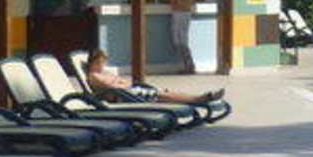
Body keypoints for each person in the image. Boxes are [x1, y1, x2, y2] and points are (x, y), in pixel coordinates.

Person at [87, 48, 222, 108]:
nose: (102, 64)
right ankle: (199, 99)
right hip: (125, 96)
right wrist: (120, 83)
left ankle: (198, 98)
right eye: (99, 62)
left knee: (165, 93)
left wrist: (121, 83)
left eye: (103, 61)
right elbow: (113, 87)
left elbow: (125, 82)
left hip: (130, 92)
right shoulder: (94, 76)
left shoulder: (105, 73)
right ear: (92, 62)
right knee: (162, 95)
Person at [168, 0, 206, 74]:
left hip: (178, 13)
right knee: (182, 40)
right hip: (186, 12)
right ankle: (188, 65)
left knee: (178, 40)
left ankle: (189, 65)